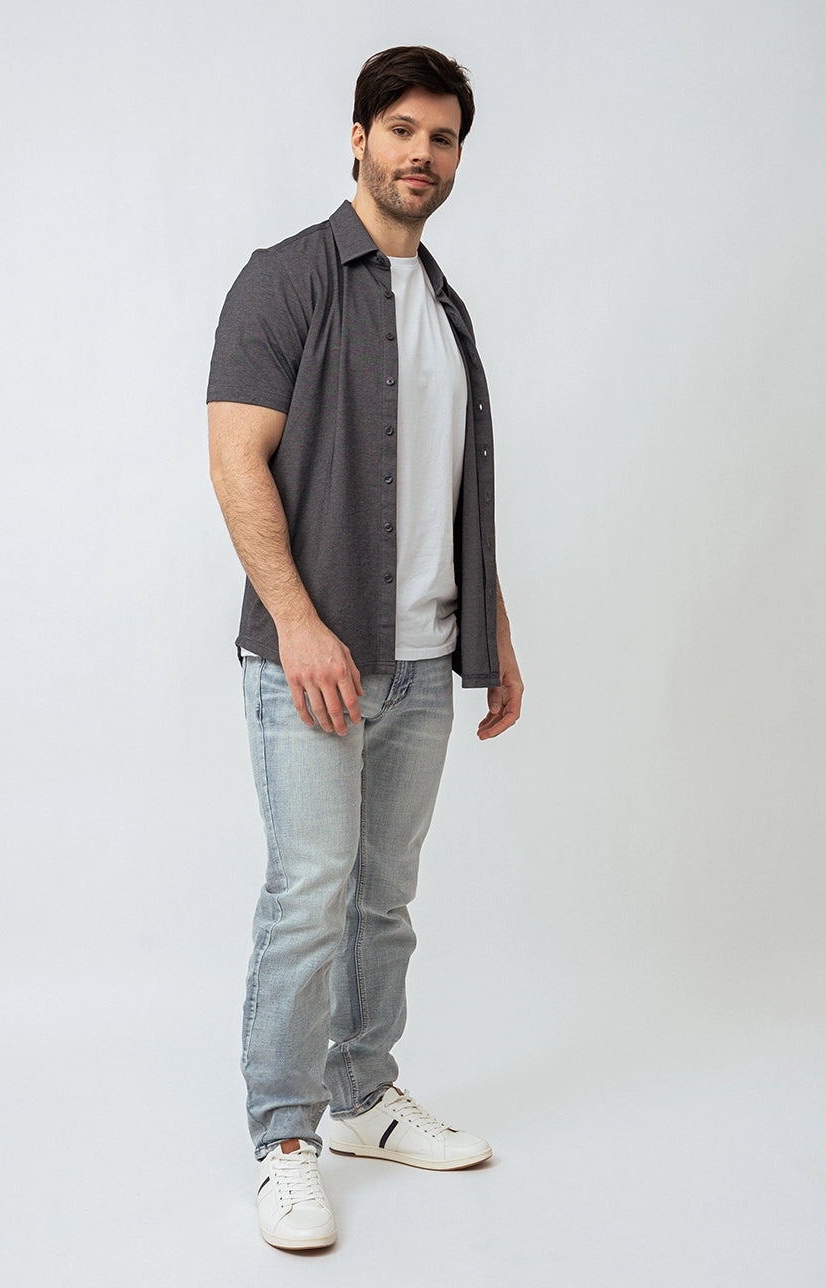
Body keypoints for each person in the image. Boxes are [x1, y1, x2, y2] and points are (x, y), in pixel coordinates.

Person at [207, 44, 523, 1252]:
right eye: (400, 130)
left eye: (441, 138)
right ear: (357, 138)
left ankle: (362, 1097)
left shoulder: (443, 305)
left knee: (383, 898)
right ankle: (284, 1137)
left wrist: (493, 630)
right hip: (313, 655)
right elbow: (236, 458)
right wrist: (296, 621)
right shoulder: (285, 279)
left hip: (426, 661)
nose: (420, 154)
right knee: (308, 894)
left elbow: (451, 487)